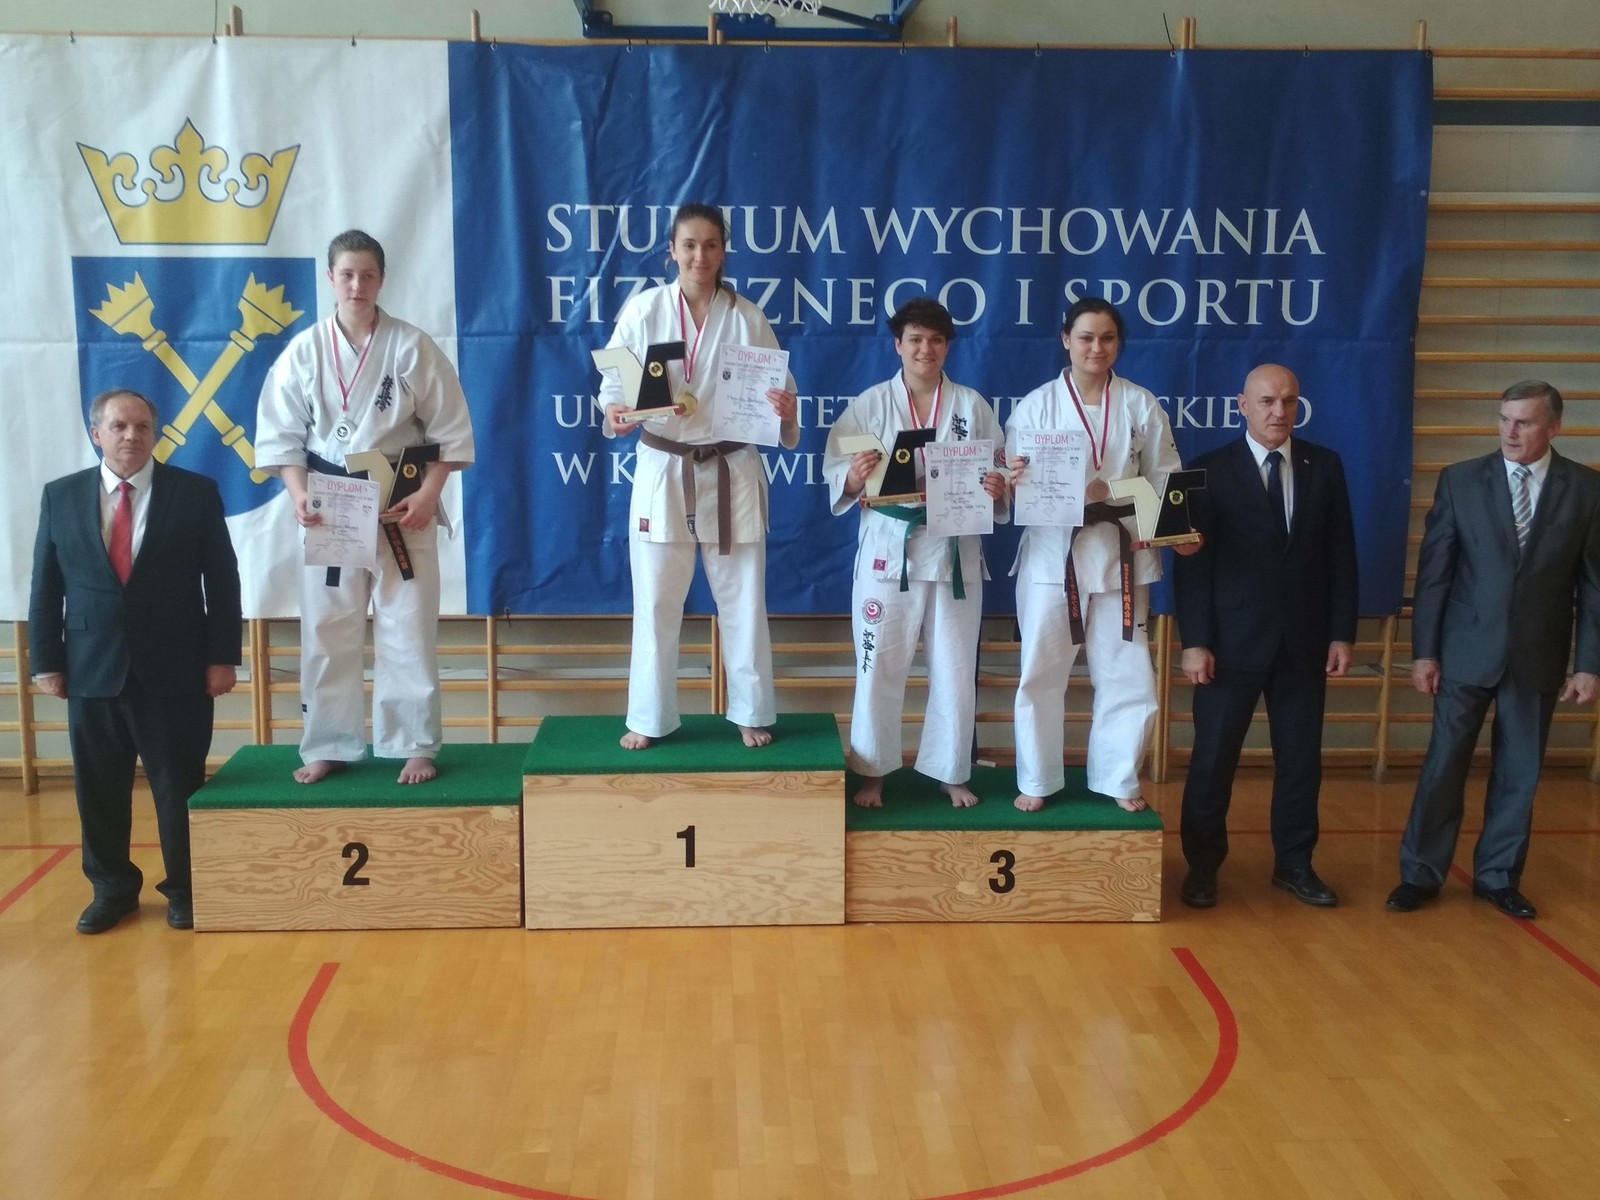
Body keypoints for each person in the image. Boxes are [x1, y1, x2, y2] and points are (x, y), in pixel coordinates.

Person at [255, 229, 474, 785]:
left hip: (403, 503)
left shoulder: (412, 346)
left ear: (382, 280)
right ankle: (328, 742)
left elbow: (450, 432)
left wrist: (429, 494)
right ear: (331, 278)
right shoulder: (304, 351)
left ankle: (414, 744)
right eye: (347, 275)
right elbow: (282, 437)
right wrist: (298, 494)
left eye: (368, 275)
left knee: (408, 626)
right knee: (327, 628)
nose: (357, 285)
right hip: (331, 504)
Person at [29, 388, 241, 934]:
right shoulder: (61, 496)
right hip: (91, 669)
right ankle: (112, 889)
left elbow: (222, 581)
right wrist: (46, 660)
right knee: (98, 790)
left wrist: (222, 657)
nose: (132, 436)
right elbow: (46, 586)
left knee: (178, 787)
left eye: (143, 426)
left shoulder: (194, 493)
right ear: (96, 433)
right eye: (120, 426)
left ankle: (185, 890)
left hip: (176, 671)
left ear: (156, 433)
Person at [1387, 380, 1600, 919]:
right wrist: (1425, 652)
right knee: (1443, 766)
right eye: (1504, 419)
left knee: (1520, 772)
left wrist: (1588, 664)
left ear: (1554, 427)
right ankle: (1420, 874)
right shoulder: (1460, 480)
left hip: (1538, 654)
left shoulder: (1586, 489)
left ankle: (1499, 877)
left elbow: (1594, 585)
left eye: (1523, 422)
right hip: (1464, 651)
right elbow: (1435, 574)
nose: (1510, 431)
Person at [598, 202, 800, 750]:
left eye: (711, 245)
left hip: (733, 468)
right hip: (664, 467)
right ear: (671, 250)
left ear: (723, 251)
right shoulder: (644, 310)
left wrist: (786, 410)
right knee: (656, 601)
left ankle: (750, 711)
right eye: (689, 245)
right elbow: (613, 386)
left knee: (743, 599)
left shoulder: (747, 317)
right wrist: (615, 412)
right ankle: (649, 716)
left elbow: (782, 394)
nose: (699, 256)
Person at [1173, 364, 1358, 908]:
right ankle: (1202, 867)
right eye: (1268, 401)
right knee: (1213, 762)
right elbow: (1193, 566)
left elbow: (1341, 555)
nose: (1279, 411)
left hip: (1304, 641)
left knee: (1300, 763)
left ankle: (1295, 864)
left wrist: (1341, 633)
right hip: (1228, 644)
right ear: (1242, 405)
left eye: (1289, 401)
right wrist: (1194, 640)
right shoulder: (1207, 469)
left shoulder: (1325, 465)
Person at [1006, 297, 1196, 813]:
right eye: (1086, 337)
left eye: (1107, 338)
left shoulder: (1140, 404)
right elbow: (1009, 478)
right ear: (1066, 340)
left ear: (1118, 343)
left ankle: (1118, 778)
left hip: (1120, 552)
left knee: (1126, 671)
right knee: (1041, 671)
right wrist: (1013, 478)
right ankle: (1037, 777)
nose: (1097, 347)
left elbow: (1166, 476)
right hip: (1053, 555)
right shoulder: (1037, 405)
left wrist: (1171, 527)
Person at [823, 298, 1008, 808]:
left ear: (948, 346)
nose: (926, 349)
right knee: (878, 665)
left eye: (936, 340)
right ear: (898, 345)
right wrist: (853, 477)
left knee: (954, 667)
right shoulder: (870, 404)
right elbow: (836, 472)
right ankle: (873, 772)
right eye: (916, 339)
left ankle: (950, 771)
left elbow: (998, 468)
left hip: (954, 550)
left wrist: (998, 487)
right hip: (889, 552)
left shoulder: (971, 405)